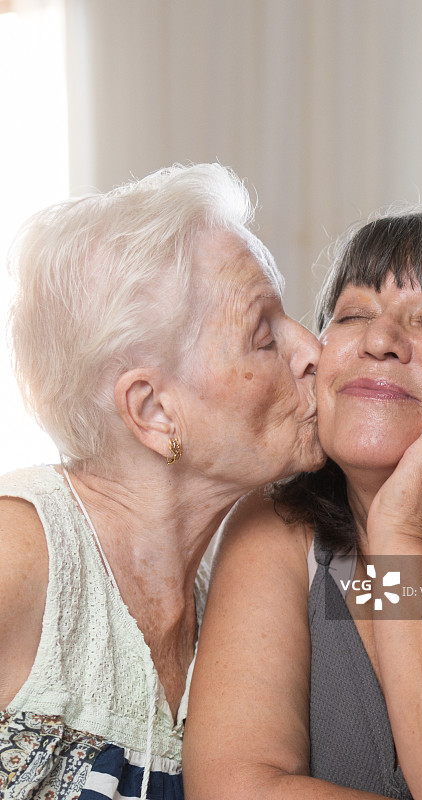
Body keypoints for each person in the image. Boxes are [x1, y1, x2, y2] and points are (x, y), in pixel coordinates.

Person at [183, 212, 422, 799]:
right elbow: (236, 789)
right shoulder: (273, 529)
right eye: (352, 314)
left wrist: (404, 535)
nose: (378, 341)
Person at [0, 163, 326, 800]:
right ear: (152, 412)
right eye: (264, 335)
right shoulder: (20, 552)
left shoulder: (244, 584)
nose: (312, 349)